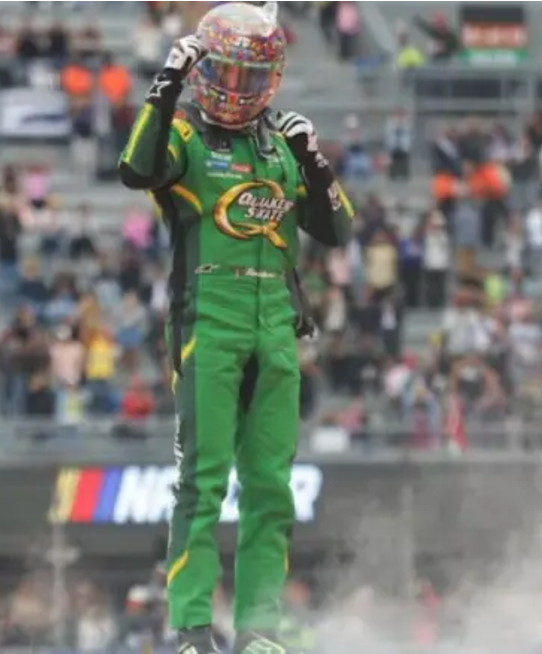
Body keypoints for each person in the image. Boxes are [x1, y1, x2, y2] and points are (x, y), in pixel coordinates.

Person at [116, 3, 354, 653]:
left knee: (272, 487)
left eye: (253, 78)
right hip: (207, 319)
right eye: (226, 72)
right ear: (202, 67)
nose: (237, 89)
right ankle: (192, 630)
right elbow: (136, 168)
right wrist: (165, 82)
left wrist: (315, 161)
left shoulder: (280, 143)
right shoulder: (185, 137)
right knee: (204, 478)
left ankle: (258, 632)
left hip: (277, 324)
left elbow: (338, 230)